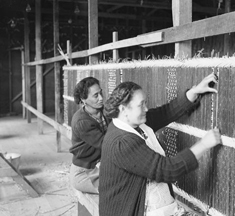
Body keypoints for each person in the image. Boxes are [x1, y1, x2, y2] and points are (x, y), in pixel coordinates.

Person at [98, 73, 222, 216]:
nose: (146, 109)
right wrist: (204, 144)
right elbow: (167, 170)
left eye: (145, 103)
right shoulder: (121, 142)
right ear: (123, 109)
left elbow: (166, 113)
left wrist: (194, 91)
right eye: (141, 104)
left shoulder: (134, 123)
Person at [69, 77, 110, 194]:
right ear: (83, 99)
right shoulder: (81, 122)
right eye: (96, 95)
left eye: (101, 93)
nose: (101, 98)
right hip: (84, 171)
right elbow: (106, 144)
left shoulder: (104, 111)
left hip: (100, 164)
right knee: (115, 187)